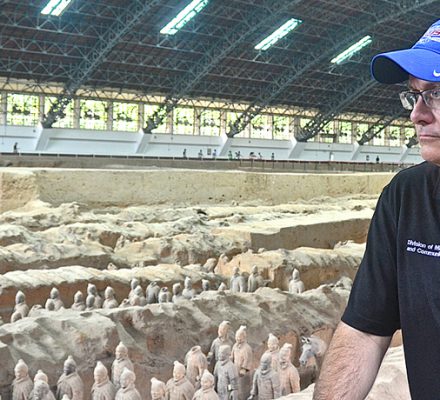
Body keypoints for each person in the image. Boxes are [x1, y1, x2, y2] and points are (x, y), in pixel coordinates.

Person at [313, 19, 440, 400]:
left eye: (436, 94)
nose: (417, 114)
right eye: (414, 95)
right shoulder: (405, 197)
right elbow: (365, 331)